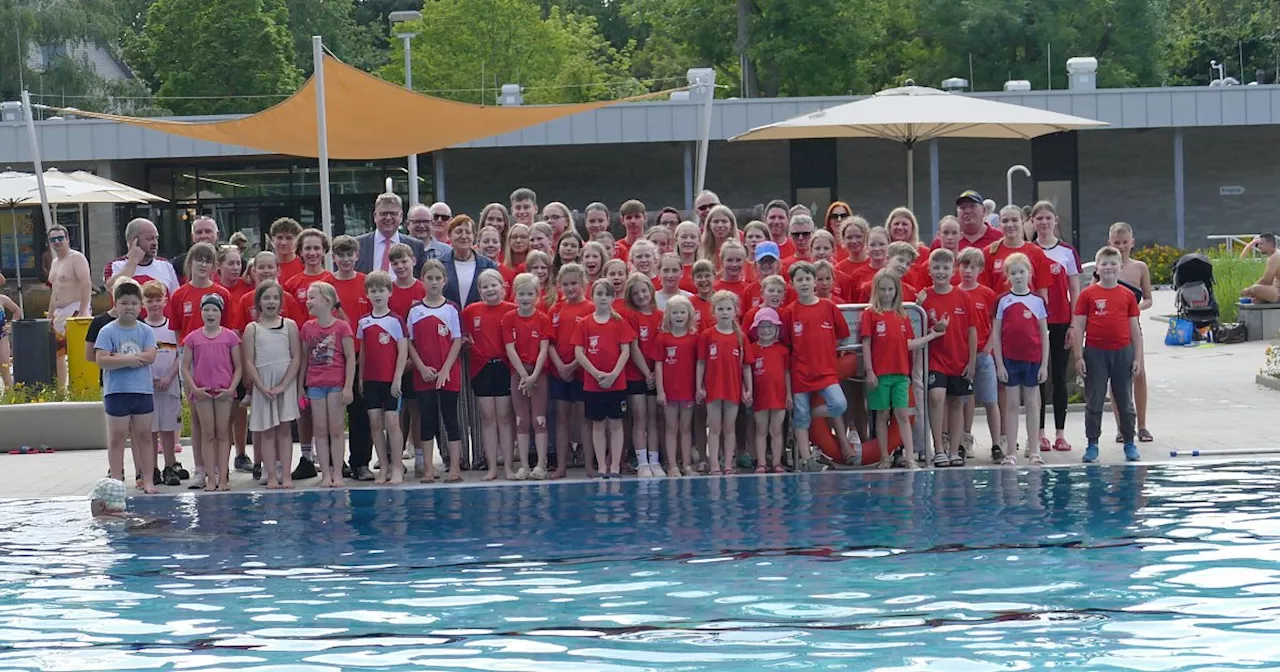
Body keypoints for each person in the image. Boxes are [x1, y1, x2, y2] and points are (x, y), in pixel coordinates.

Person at [168, 242, 231, 489]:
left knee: (219, 418)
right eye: (199, 259)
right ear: (190, 263)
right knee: (197, 415)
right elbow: (177, 333)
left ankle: (219, 468)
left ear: (214, 266)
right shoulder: (179, 295)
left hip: (217, 357)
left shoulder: (221, 294)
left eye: (208, 260)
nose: (203, 264)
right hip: (190, 355)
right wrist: (185, 358)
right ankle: (201, 468)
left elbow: (228, 331)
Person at [862, 270, 939, 469]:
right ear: (876, 291)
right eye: (883, 289)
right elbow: (866, 344)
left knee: (902, 415)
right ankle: (884, 457)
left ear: (896, 291)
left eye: (890, 289)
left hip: (901, 374)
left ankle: (910, 457)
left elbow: (909, 343)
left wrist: (931, 336)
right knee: (882, 415)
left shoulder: (902, 315)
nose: (887, 294)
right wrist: (869, 371)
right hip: (880, 374)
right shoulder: (870, 314)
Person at [1073, 246, 1142, 463]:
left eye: (1113, 264)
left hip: (1122, 352)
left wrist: (1138, 357)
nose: (1109, 268)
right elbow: (1079, 327)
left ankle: (1129, 442)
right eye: (1104, 264)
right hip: (1095, 352)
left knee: (1125, 401)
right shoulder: (1088, 295)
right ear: (1097, 268)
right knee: (1094, 400)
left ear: (1120, 268)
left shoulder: (1128, 295)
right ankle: (1092, 443)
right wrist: (1078, 356)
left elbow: (1135, 330)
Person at [784, 261, 853, 472]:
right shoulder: (790, 312)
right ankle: (807, 460)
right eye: (799, 280)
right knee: (801, 419)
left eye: (807, 279)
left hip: (826, 372)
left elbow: (843, 336)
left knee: (839, 405)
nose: (804, 283)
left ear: (814, 281)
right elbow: (787, 345)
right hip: (801, 374)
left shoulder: (828, 307)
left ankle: (814, 414)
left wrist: (828, 352)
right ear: (792, 284)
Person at [94, 279, 158, 493]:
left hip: (141, 391)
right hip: (116, 392)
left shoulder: (145, 331)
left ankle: (147, 479)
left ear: (140, 306)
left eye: (133, 303)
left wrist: (118, 358)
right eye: (124, 303)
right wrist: (129, 360)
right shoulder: (107, 331)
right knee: (117, 437)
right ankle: (116, 480)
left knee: (144, 436)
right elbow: (102, 359)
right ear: (115, 304)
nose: (129, 307)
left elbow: (150, 356)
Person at [407, 259, 465, 483]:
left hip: (448, 375)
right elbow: (409, 342)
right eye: (429, 278)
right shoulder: (415, 310)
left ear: (444, 281)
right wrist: (421, 368)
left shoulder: (451, 309)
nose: (433, 282)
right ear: (422, 280)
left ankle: (454, 468)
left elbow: (457, 341)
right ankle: (429, 469)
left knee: (451, 419)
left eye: (437, 278)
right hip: (424, 376)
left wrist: (445, 370)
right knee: (427, 421)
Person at [918, 248, 977, 468]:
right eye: (936, 268)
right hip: (935, 359)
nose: (941, 272)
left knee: (955, 403)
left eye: (945, 268)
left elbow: (972, 331)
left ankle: (954, 450)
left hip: (959, 359)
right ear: (929, 270)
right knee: (936, 398)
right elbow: (914, 327)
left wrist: (972, 362)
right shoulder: (923, 297)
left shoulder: (963, 296)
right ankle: (938, 448)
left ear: (953, 271)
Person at [1031, 202, 1081, 453]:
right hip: (1035, 322)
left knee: (1059, 377)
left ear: (1055, 220)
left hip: (1061, 320)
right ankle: (1039, 433)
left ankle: (1060, 433)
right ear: (1032, 221)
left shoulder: (1067, 252)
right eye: (1039, 218)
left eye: (1047, 218)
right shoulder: (1029, 251)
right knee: (1039, 378)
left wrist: (1074, 324)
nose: (1043, 222)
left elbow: (1074, 290)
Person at [242, 280, 302, 489]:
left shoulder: (290, 326)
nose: (271, 302)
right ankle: (271, 476)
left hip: (284, 383)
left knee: (285, 430)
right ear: (258, 302)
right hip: (263, 385)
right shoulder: (253, 329)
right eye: (266, 297)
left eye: (275, 298)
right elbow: (249, 360)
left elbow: (296, 358)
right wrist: (260, 386)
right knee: (267, 431)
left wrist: (284, 385)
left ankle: (286, 475)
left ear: (281, 301)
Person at [573, 278, 634, 479]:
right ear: (592, 296)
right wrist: (596, 374)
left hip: (616, 383)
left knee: (616, 424)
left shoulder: (619, 322)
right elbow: (579, 353)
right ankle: (601, 466)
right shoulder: (584, 323)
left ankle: (615, 465)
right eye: (599, 294)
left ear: (613, 298)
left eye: (607, 294)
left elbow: (625, 351)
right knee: (598, 424)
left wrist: (614, 374)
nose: (603, 298)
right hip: (593, 384)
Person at [992, 253, 1050, 466]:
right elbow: (996, 335)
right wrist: (999, 364)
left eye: (1021, 272)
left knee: (1033, 404)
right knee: (1012, 405)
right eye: (1013, 273)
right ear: (1007, 276)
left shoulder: (1037, 301)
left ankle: (1034, 450)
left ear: (1029, 273)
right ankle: (1011, 452)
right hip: (1010, 360)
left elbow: (1044, 335)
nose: (1018, 276)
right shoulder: (1002, 301)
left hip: (1033, 360)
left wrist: (1044, 365)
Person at [181, 294, 242, 492]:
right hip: (202, 392)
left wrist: (232, 389)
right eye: (206, 309)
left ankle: (222, 477)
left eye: (214, 309)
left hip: (224, 392)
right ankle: (210, 478)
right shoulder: (193, 338)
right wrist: (195, 389)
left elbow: (239, 367)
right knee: (208, 434)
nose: (210, 313)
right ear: (200, 312)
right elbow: (185, 367)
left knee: (223, 433)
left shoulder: (230, 337)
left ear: (220, 313)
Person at [463, 269, 518, 481]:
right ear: (479, 291)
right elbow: (461, 334)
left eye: (493, 285)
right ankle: (492, 467)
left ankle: (509, 467)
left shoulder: (512, 310)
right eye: (485, 287)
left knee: (505, 417)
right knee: (487, 418)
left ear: (503, 287)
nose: (490, 289)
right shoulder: (471, 311)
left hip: (504, 367)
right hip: (482, 369)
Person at [300, 281, 356, 488]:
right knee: (320, 429)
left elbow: (350, 358)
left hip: (335, 384)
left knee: (336, 428)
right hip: (315, 384)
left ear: (326, 301)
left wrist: (348, 386)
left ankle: (338, 473)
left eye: (312, 297)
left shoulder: (342, 327)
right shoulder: (307, 328)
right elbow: (304, 359)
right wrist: (300, 387)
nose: (308, 301)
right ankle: (325, 474)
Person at [357, 271, 407, 485]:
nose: (377, 294)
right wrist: (360, 379)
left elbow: (403, 352)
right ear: (367, 294)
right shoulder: (363, 322)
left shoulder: (396, 321)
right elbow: (364, 352)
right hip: (371, 380)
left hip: (390, 380)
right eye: (373, 291)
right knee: (375, 423)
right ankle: (383, 465)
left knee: (392, 422)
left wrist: (397, 379)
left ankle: (397, 466)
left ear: (389, 292)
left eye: (381, 290)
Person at [330, 235, 374, 481]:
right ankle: (336, 462)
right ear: (334, 257)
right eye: (341, 255)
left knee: (360, 412)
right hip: (333, 356)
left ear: (357, 256)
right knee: (332, 413)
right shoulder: (326, 285)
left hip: (360, 355)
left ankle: (360, 463)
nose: (346, 259)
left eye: (350, 255)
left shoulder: (367, 283)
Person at [1108, 222, 1154, 443]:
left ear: (1132, 243)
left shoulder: (1139, 267)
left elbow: (1148, 299)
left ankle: (1142, 426)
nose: (1122, 246)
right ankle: (1121, 427)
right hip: (1110, 329)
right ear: (1110, 243)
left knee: (1139, 373)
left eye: (1125, 242)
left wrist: (1135, 309)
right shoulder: (1105, 267)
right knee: (1116, 379)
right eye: (1117, 243)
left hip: (1132, 327)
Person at [503, 273, 552, 480]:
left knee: (539, 419)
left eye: (529, 294)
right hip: (518, 373)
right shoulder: (508, 319)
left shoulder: (542, 319)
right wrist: (524, 375)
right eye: (521, 294)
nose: (525, 298)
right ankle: (523, 465)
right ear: (515, 295)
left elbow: (544, 349)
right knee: (521, 420)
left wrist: (534, 375)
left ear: (537, 295)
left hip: (538, 373)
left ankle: (541, 465)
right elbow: (510, 349)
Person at [697, 290, 750, 475]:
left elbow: (746, 366)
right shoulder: (707, 335)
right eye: (720, 309)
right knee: (714, 427)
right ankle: (714, 465)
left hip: (733, 388)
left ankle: (728, 464)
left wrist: (748, 388)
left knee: (729, 427)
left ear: (735, 311)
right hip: (713, 388)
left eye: (728, 308)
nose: (725, 312)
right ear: (713, 311)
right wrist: (699, 386)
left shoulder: (741, 338)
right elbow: (701, 362)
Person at [548, 264, 593, 479]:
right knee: (562, 419)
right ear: (559, 286)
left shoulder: (590, 309)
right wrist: (559, 365)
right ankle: (561, 465)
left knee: (585, 418)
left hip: (582, 372)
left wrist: (573, 365)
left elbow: (593, 343)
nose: (570, 288)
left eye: (574, 283)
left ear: (584, 283)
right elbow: (549, 341)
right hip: (560, 373)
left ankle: (590, 465)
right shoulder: (555, 310)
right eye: (565, 284)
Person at [956, 248, 1000, 462]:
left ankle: (997, 443)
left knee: (991, 400)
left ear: (981, 269)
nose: (968, 271)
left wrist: (987, 348)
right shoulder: (955, 293)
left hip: (983, 354)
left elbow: (995, 325)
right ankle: (964, 439)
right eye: (965, 266)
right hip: (961, 356)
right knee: (963, 400)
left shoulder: (987, 294)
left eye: (973, 267)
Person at [141, 281, 182, 487]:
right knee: (151, 430)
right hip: (148, 387)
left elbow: (180, 355)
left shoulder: (172, 326)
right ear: (143, 302)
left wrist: (169, 377)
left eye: (158, 299)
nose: (155, 304)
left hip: (170, 384)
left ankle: (170, 466)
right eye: (150, 300)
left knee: (168, 429)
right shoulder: (140, 328)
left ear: (166, 300)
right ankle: (152, 469)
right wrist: (152, 379)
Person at [622, 272, 662, 478]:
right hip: (636, 374)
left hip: (657, 375)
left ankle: (655, 461)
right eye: (636, 293)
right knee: (639, 417)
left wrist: (657, 373)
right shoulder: (630, 316)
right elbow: (633, 347)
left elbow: (662, 346)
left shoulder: (660, 315)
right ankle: (642, 461)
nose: (641, 296)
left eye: (644, 291)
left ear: (651, 291)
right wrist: (647, 373)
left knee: (653, 418)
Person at [656, 295, 697, 476]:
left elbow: (699, 365)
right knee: (671, 427)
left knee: (686, 428)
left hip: (688, 390)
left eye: (682, 312)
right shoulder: (663, 338)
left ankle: (687, 464)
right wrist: (660, 391)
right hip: (670, 390)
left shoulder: (694, 338)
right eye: (675, 312)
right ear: (668, 316)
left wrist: (698, 388)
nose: (679, 316)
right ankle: (672, 464)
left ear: (689, 315)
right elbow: (658, 365)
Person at [45, 223, 92, 385]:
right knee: (58, 353)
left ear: (67, 239)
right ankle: (61, 391)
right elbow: (55, 291)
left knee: (76, 352)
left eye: (60, 238)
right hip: (58, 312)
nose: (57, 242)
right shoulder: (55, 262)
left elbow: (86, 283)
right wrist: (49, 315)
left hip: (74, 309)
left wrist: (83, 310)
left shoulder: (76, 258)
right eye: (53, 239)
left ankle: (79, 387)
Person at [748, 307, 788, 474]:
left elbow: (787, 374)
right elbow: (746, 372)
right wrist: (748, 391)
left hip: (779, 395)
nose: (766, 330)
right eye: (762, 327)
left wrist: (789, 394)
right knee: (761, 430)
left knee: (776, 430)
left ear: (776, 329)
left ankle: (777, 462)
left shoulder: (782, 350)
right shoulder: (752, 349)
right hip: (760, 395)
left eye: (769, 327)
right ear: (756, 329)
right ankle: (762, 463)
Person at [984, 206, 1052, 300]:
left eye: (1015, 220)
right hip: (999, 312)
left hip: (1028, 312)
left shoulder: (1036, 252)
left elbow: (1042, 293)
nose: (1010, 224)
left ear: (1022, 221)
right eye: (1005, 221)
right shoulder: (989, 252)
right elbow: (984, 292)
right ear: (1000, 224)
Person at [358, 195, 433, 274]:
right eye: (384, 213)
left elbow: (422, 278)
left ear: (401, 216)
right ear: (375, 216)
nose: (388, 218)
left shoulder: (416, 246)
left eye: (393, 213)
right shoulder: (359, 244)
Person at [442, 215, 498, 309]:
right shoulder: (439, 265)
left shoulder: (489, 265)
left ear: (473, 237)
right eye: (459, 232)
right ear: (449, 235)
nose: (464, 236)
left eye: (468, 232)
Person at [172, 216, 220, 284]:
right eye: (199, 232)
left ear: (217, 235)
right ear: (192, 237)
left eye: (208, 231)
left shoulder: (228, 260)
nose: (203, 236)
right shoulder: (179, 264)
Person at [1240, 233, 1280, 303]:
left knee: (1255, 289)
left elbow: (1266, 281)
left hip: (1278, 292)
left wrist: (1248, 290)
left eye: (1261, 244)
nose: (1258, 246)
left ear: (1269, 244)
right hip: (1276, 290)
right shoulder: (1275, 255)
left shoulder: (1274, 257)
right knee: (1257, 292)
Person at [0, 274, 22, 390]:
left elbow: (17, 310)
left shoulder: (2, 299)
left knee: (5, 369)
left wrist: (11, 325)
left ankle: (10, 398)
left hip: (1, 336)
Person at [269, 217, 304, 283]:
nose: (283, 243)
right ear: (272, 240)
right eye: (279, 238)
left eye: (289, 238)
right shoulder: (264, 267)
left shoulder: (305, 266)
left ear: (297, 241)